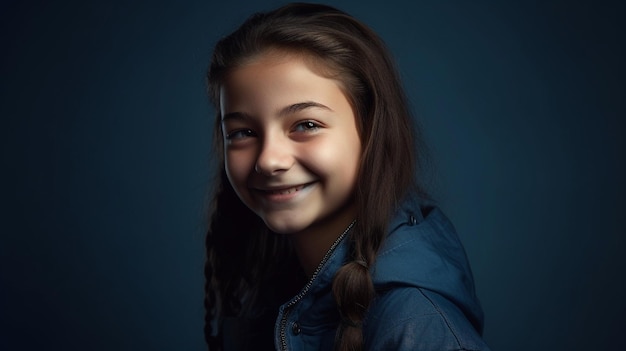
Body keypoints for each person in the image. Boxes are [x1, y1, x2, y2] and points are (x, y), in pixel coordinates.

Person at [204, 3, 490, 350]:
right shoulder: (268, 284)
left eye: (306, 125)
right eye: (242, 132)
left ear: (371, 132)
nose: (268, 160)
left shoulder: (418, 324)